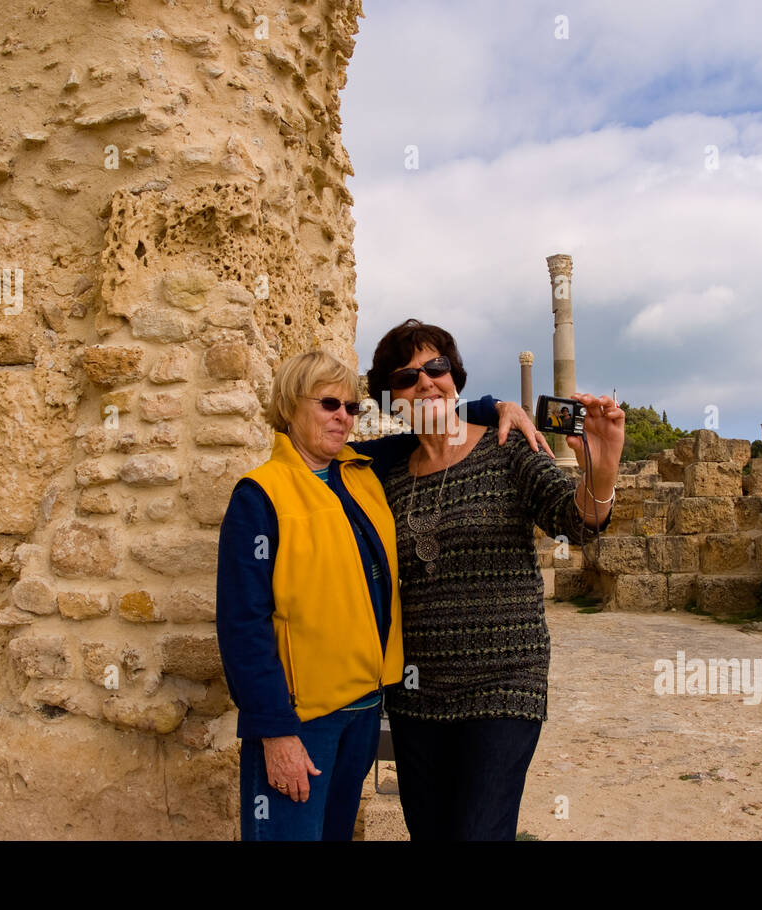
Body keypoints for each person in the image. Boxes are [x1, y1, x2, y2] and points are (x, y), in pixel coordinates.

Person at [215, 349, 543, 841]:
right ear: (289, 406)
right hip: (302, 719)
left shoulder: (364, 470)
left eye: (352, 408)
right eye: (329, 405)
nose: (343, 418)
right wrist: (275, 731)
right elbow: (242, 625)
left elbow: (431, 422)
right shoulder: (260, 496)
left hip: (365, 711)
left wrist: (491, 407)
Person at [362, 319, 625, 840]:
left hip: (504, 682)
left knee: (480, 830)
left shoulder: (506, 448)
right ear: (392, 400)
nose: (426, 382)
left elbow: (577, 522)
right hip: (417, 692)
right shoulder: (384, 474)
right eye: (407, 377)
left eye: (436, 367)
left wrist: (603, 469)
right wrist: (494, 401)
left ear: (454, 376)